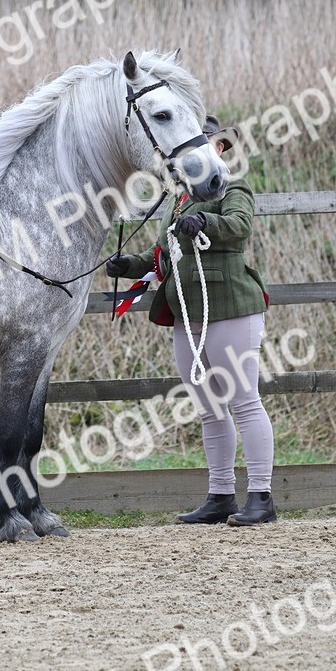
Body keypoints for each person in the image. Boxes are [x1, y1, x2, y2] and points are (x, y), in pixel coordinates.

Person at [106, 116, 277, 526]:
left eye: (210, 145)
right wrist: (129, 265)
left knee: (244, 401)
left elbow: (239, 226)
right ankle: (220, 495)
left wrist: (207, 222)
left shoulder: (233, 186)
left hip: (231, 305)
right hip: (187, 311)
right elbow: (164, 252)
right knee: (208, 408)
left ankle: (261, 496)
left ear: (220, 150)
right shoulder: (179, 198)